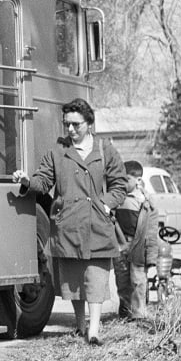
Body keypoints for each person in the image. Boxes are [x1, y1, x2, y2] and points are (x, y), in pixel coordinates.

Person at [12, 98, 127, 345]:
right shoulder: (57, 152)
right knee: (75, 280)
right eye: (67, 125)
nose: (71, 130)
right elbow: (43, 181)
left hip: (97, 224)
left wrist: (105, 204)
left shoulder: (105, 150)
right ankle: (80, 324)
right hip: (69, 225)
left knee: (96, 278)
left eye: (76, 125)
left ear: (89, 123)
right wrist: (26, 182)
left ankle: (94, 330)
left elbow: (120, 185)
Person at [113, 160, 158, 321]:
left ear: (138, 180)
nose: (123, 183)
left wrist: (152, 257)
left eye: (126, 180)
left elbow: (152, 232)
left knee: (138, 280)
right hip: (120, 245)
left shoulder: (147, 202)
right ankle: (126, 312)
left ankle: (140, 313)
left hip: (138, 246)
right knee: (122, 280)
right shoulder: (117, 198)